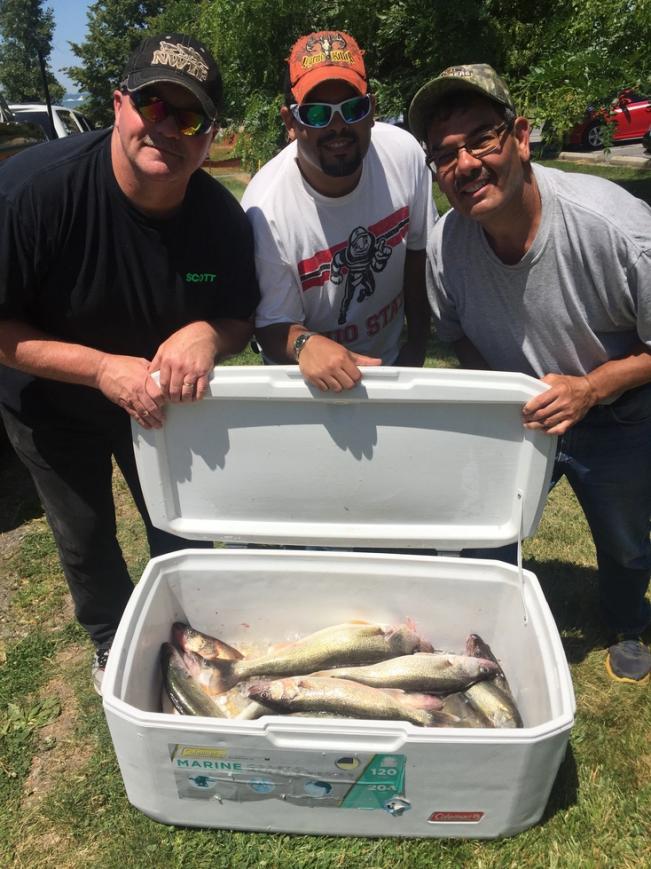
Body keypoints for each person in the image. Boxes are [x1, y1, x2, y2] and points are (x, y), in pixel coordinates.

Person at [0, 33, 260, 692]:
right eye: (152, 103)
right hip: (48, 396)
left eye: (189, 116)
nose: (166, 128)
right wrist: (98, 368)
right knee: (84, 532)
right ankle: (114, 644)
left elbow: (241, 315)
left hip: (161, 405)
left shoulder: (220, 222)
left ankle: (194, 627)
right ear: (119, 104)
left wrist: (206, 331)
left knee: (182, 520)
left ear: (208, 137)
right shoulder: (35, 191)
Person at [408, 64, 651, 684]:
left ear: (520, 137)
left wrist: (592, 388)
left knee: (625, 540)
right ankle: (482, 626)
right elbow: (455, 333)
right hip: (520, 416)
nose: (463, 165)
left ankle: (628, 623)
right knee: (487, 528)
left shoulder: (617, 230)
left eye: (480, 140)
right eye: (444, 154)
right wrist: (500, 397)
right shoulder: (445, 245)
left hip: (617, 412)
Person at [241, 30, 435, 392]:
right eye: (316, 113)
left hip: (388, 368)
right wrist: (303, 344)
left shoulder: (405, 155)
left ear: (372, 111)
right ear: (290, 122)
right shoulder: (263, 210)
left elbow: (417, 255)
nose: (338, 126)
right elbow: (270, 327)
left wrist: (418, 346)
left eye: (353, 108)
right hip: (305, 385)